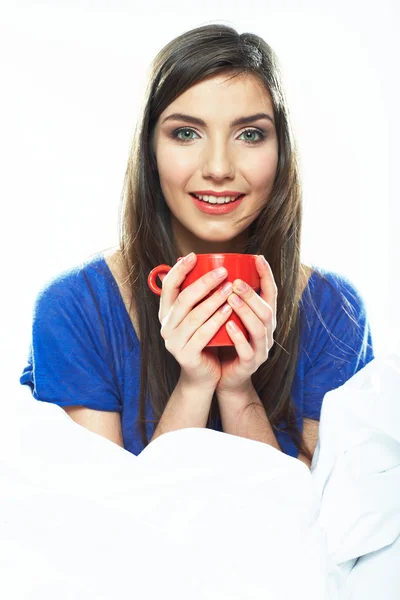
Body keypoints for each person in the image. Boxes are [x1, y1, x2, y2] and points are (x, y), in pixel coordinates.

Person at [20, 24, 374, 469]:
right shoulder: (74, 307)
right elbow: (104, 525)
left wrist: (237, 389)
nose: (219, 168)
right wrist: (193, 386)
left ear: (281, 150)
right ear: (150, 149)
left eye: (249, 134)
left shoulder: (332, 308)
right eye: (186, 133)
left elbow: (314, 522)